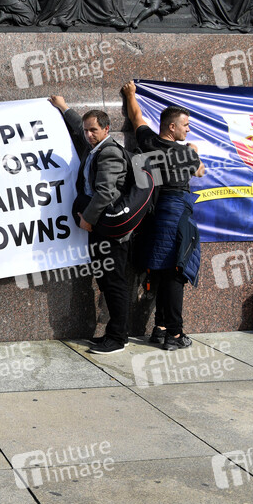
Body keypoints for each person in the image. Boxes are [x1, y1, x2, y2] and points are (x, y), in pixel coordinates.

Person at [122, 80, 204, 351]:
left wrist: (130, 94)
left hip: (154, 214)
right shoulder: (185, 153)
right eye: (185, 125)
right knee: (176, 274)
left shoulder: (148, 142)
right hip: (177, 213)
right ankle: (175, 335)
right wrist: (194, 150)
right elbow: (201, 171)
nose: (188, 129)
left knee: (161, 270)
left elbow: (136, 117)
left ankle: (160, 328)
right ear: (172, 127)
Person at [49, 95, 133, 354]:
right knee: (105, 281)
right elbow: (78, 126)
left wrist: (87, 219)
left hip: (110, 230)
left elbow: (105, 192)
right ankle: (114, 333)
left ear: (107, 129)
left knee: (114, 282)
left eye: (93, 130)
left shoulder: (109, 152)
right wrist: (63, 106)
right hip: (100, 228)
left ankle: (118, 338)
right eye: (86, 130)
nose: (87, 135)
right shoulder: (94, 146)